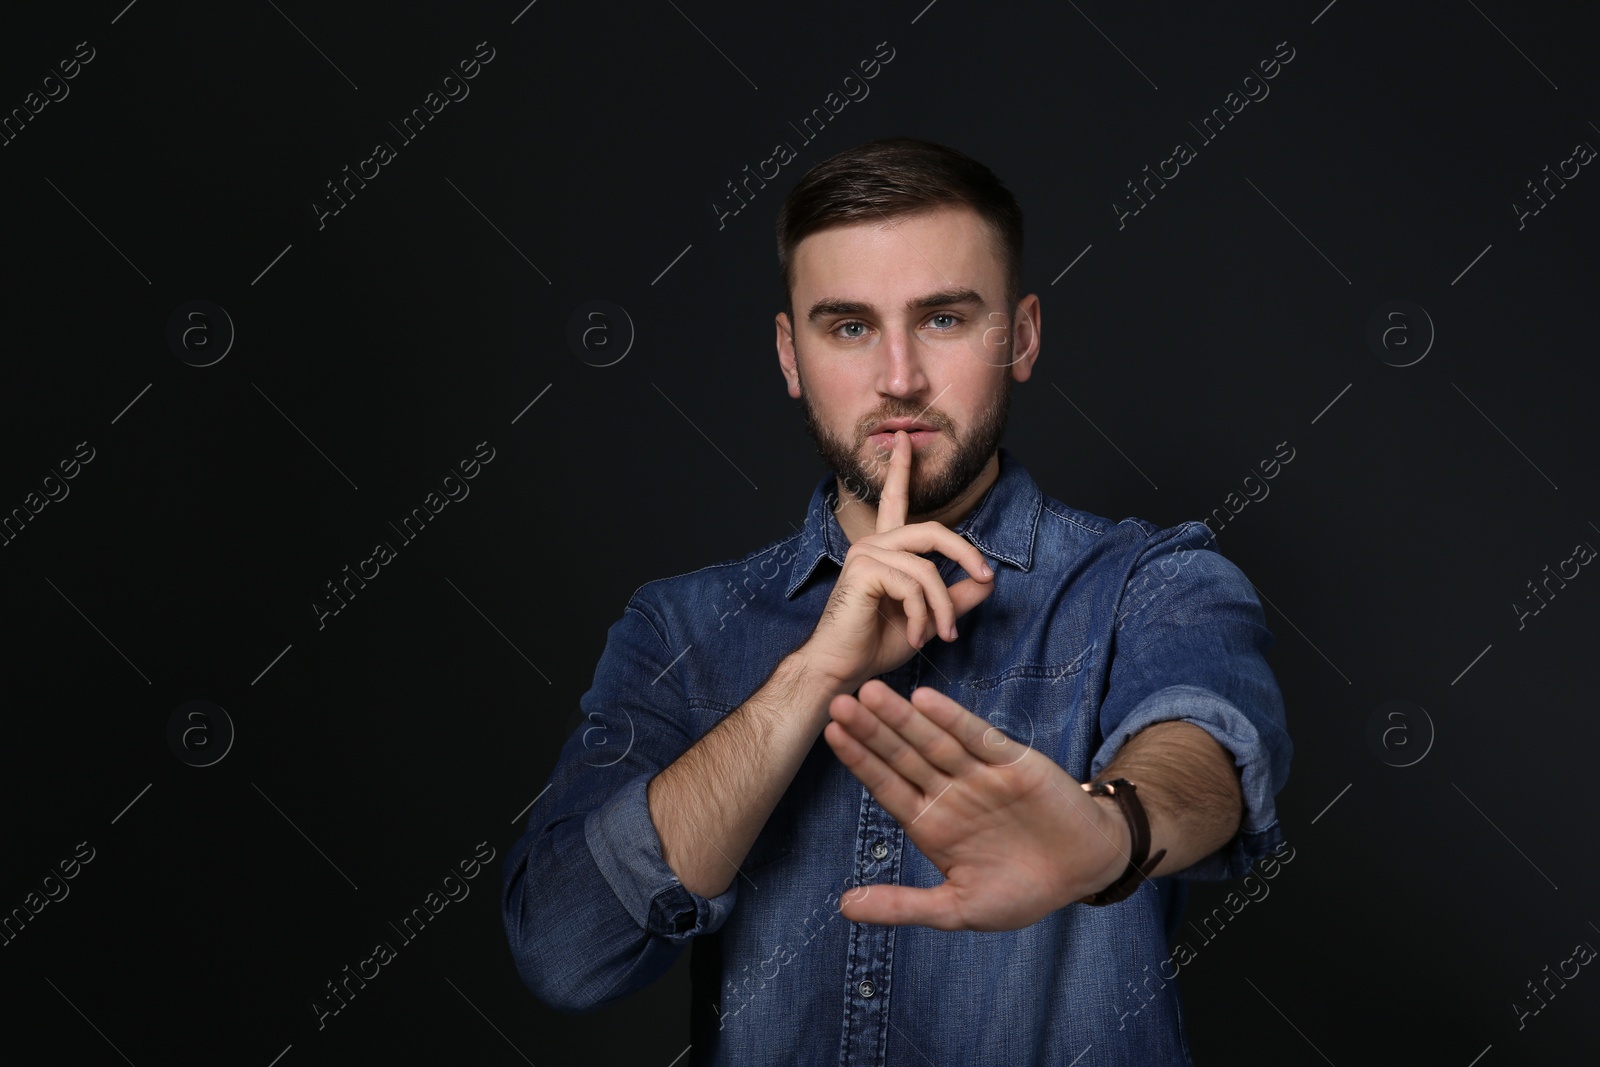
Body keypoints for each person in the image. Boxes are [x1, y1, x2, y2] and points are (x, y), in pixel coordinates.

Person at [501, 137, 1292, 1066]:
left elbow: (1207, 760)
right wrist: (809, 678)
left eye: (945, 320)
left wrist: (1109, 830)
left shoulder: (1147, 583)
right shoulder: (677, 628)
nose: (900, 379)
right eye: (848, 328)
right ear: (791, 355)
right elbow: (563, 949)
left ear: (1023, 336)